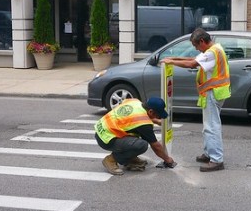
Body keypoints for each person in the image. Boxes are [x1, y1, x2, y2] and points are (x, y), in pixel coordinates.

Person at [162, 28, 231, 172]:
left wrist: (172, 62)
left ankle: (217, 160)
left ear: (202, 41)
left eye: (196, 46)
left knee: (212, 127)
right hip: (214, 92)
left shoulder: (212, 52)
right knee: (208, 126)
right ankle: (208, 154)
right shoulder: (214, 49)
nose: (196, 49)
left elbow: (192, 64)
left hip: (214, 93)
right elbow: (193, 60)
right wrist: (173, 59)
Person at [95, 97, 177, 175]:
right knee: (141, 145)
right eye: (158, 115)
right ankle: (111, 160)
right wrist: (168, 160)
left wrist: (155, 121)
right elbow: (156, 146)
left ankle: (129, 158)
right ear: (151, 112)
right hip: (106, 139)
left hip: (102, 130)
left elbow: (131, 117)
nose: (159, 117)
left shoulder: (135, 102)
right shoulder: (143, 124)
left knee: (136, 134)